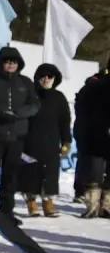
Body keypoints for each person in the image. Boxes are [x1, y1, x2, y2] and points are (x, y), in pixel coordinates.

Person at [0, 46, 40, 221]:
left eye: (13, 62)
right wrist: (1, 112)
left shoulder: (25, 82)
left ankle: (7, 211)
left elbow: (35, 104)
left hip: (16, 136)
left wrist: (20, 113)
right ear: (0, 63)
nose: (10, 65)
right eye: (7, 62)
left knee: (11, 175)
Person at [19, 63, 71, 218]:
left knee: (50, 173)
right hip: (30, 141)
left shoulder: (59, 98)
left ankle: (48, 202)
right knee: (31, 171)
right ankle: (31, 202)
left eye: (50, 76)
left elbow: (65, 121)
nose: (46, 79)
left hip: (51, 142)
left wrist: (66, 141)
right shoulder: (30, 95)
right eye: (43, 76)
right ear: (37, 78)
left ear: (55, 79)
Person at [73, 59, 110, 217]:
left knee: (99, 174)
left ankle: (104, 206)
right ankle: (94, 207)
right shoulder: (94, 86)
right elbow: (81, 109)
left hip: (96, 135)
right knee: (94, 174)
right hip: (96, 136)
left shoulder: (93, 86)